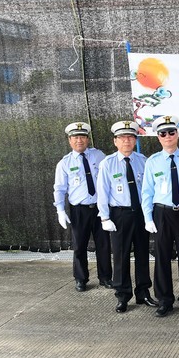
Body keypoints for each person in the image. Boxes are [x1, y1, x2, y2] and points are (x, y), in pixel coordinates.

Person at [141, 115, 179, 317]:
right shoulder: (153, 162)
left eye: (171, 132)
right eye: (163, 133)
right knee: (162, 257)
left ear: (178, 133)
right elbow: (147, 192)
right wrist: (148, 217)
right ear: (158, 137)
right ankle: (164, 300)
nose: (168, 136)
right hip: (162, 213)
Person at [97, 121, 158, 313]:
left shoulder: (143, 161)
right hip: (119, 214)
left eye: (130, 137)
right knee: (121, 256)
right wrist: (105, 218)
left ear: (135, 140)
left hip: (140, 213)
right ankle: (122, 296)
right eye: (122, 138)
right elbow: (102, 192)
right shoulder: (107, 163)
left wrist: (149, 215)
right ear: (115, 141)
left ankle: (143, 292)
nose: (126, 141)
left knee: (142, 253)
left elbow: (149, 189)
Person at [53, 122, 112, 292]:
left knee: (104, 244)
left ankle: (105, 277)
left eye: (82, 137)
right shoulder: (64, 163)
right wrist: (60, 210)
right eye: (75, 137)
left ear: (88, 139)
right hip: (79, 210)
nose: (79, 140)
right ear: (70, 140)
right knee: (79, 245)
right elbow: (60, 189)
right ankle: (81, 278)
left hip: (100, 208)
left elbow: (108, 179)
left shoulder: (99, 156)